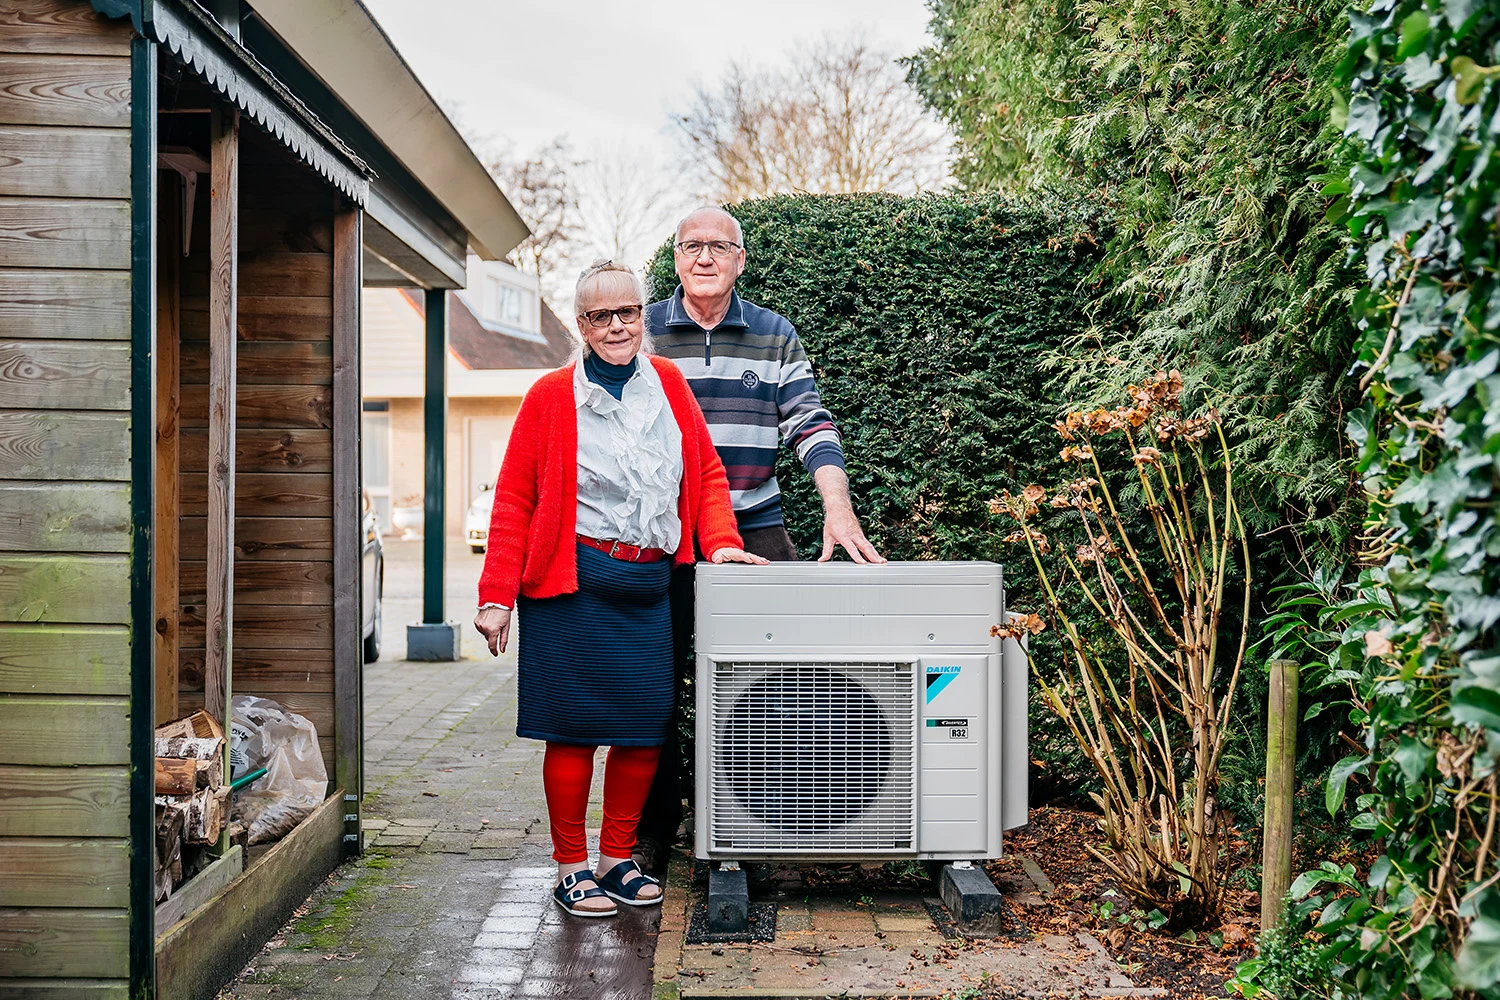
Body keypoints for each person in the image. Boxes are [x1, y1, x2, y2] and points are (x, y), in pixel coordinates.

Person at [473, 260, 767, 918]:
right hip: (570, 587)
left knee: (643, 730)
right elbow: (515, 500)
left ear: (644, 316)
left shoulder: (666, 384)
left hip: (647, 588)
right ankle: (570, 865)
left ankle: (617, 858)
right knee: (573, 732)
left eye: (627, 312)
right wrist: (496, 595)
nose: (616, 326)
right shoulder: (550, 397)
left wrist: (719, 541)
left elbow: (708, 474)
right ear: (579, 325)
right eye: (599, 316)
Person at [634, 207, 885, 873]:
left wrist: (838, 505)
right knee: (655, 686)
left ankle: (761, 826)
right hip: (665, 539)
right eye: (692, 245)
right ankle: (654, 834)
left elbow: (809, 421)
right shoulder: (646, 331)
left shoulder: (775, 334)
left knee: (775, 688)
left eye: (720, 246)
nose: (706, 256)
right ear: (677, 257)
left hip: (756, 530)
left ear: (742, 260)